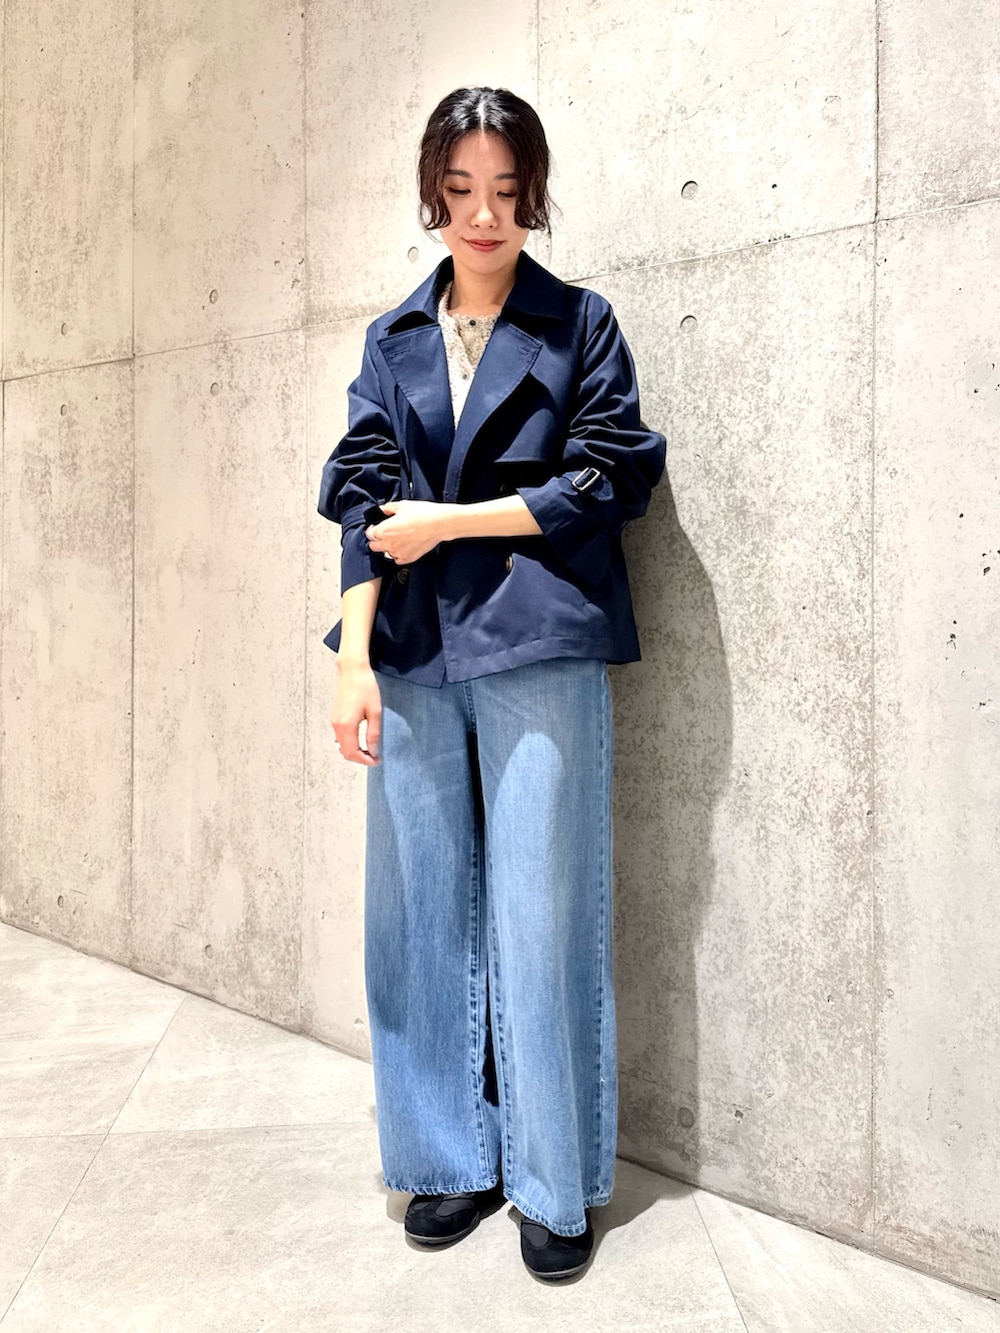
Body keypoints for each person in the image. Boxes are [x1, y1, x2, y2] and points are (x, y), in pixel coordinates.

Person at [317, 86, 665, 1282]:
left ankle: (554, 1179)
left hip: (540, 639)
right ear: (434, 193)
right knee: (415, 913)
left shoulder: (579, 324)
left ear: (533, 195)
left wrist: (454, 522)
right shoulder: (393, 339)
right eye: (461, 190)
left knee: (542, 908)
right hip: (412, 650)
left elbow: (610, 477)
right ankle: (445, 1158)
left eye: (506, 192)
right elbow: (361, 501)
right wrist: (352, 660)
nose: (483, 215)